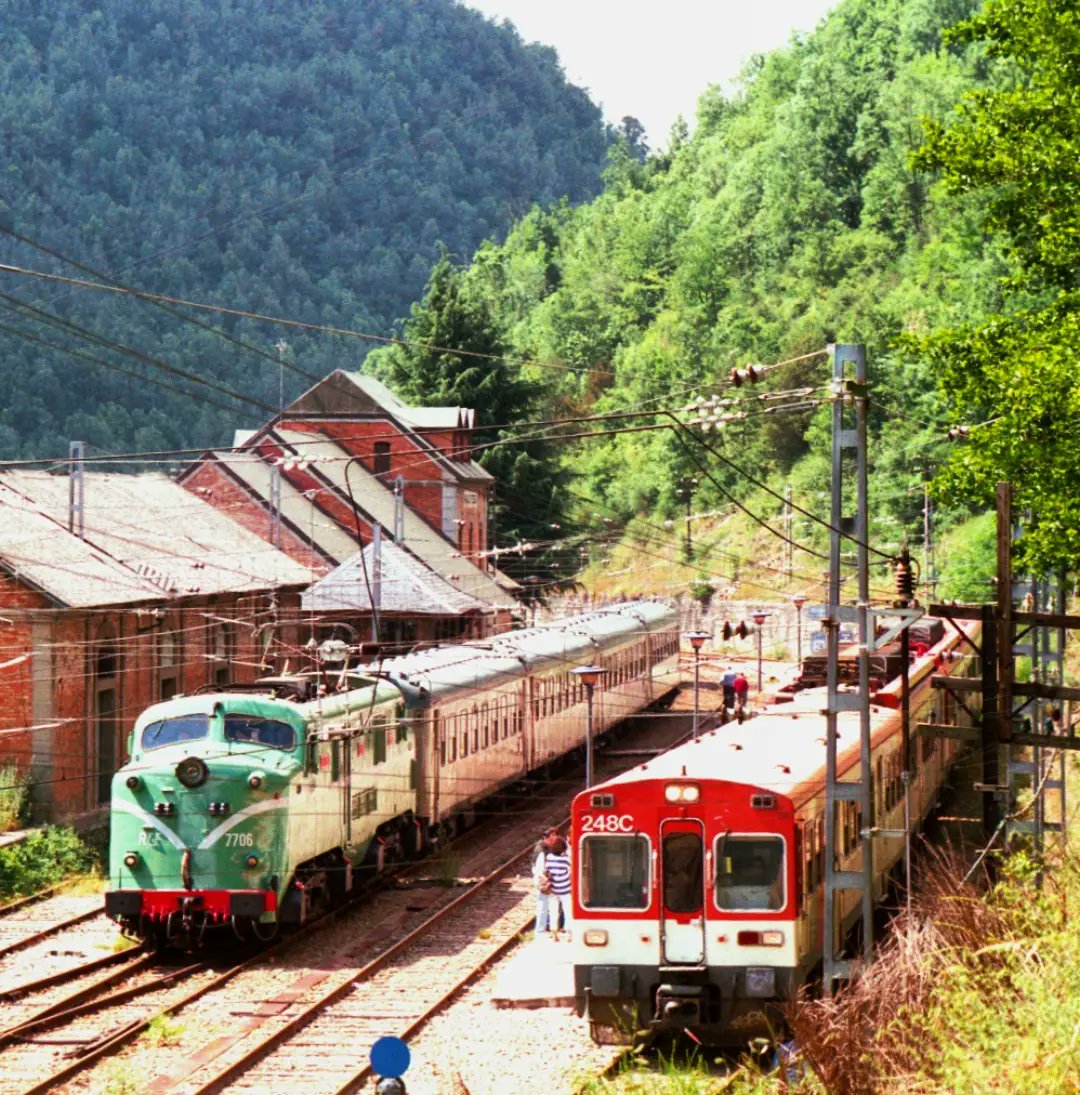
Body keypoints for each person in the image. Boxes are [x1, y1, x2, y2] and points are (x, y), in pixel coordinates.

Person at [544, 835, 573, 941]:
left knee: (553, 911)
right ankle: (569, 934)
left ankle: (554, 933)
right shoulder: (566, 859)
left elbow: (546, 870)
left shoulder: (549, 857)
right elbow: (571, 871)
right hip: (565, 889)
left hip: (553, 889)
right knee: (567, 911)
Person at [532, 827, 560, 935]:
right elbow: (538, 870)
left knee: (545, 906)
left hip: (544, 881)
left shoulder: (544, 848)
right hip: (543, 883)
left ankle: (541, 929)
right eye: (551, 839)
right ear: (546, 838)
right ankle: (540, 930)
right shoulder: (541, 851)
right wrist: (545, 880)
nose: (553, 841)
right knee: (543, 906)